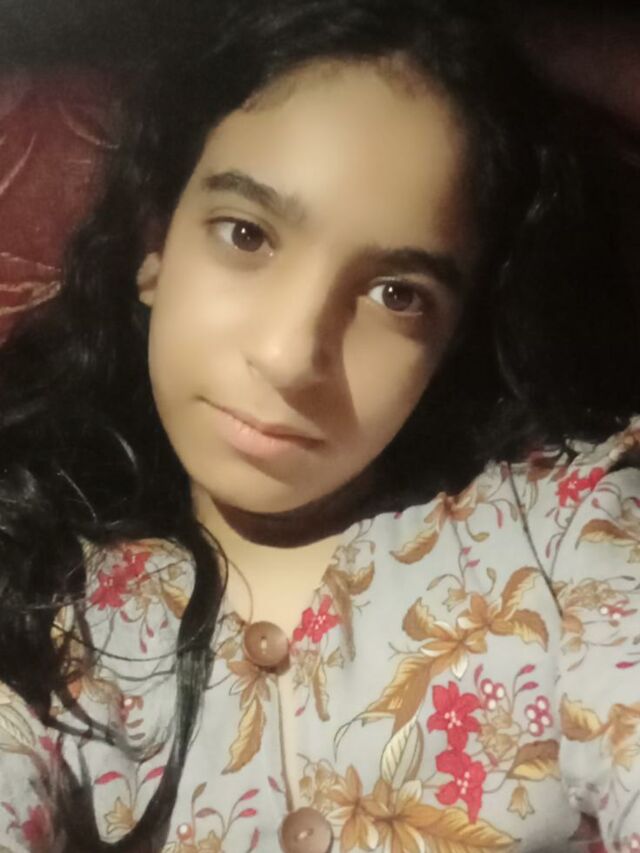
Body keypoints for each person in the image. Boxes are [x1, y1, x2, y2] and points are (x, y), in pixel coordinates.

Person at [0, 0, 638, 850]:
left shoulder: (567, 526)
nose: (291, 356)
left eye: (397, 294)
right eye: (246, 234)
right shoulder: (42, 587)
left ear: (453, 337)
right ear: (155, 243)